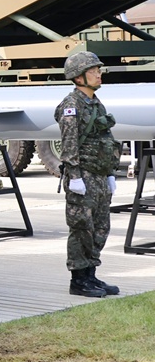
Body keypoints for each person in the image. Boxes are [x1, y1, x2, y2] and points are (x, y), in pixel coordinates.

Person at [56, 51, 122, 298]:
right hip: (82, 175)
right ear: (79, 77)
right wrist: (74, 177)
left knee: (100, 226)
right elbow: (69, 144)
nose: (98, 74)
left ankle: (91, 275)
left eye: (98, 70)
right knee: (81, 227)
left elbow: (106, 138)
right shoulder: (71, 106)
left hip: (99, 174)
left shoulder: (95, 103)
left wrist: (110, 173)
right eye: (93, 71)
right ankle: (78, 279)